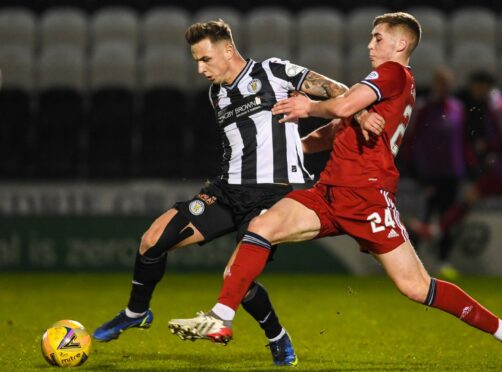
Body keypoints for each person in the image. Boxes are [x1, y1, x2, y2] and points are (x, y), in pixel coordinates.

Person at [167, 13, 502, 368]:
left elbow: (343, 104)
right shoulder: (381, 87)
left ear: (399, 44)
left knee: (416, 288)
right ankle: (221, 319)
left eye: (378, 37)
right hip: (328, 192)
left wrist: (309, 106)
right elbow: (335, 130)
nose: (370, 43)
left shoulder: (394, 74)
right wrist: (290, 148)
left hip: (368, 198)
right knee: (260, 228)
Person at [93, 19, 369, 367]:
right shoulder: (217, 94)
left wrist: (357, 115)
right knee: (151, 240)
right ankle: (136, 312)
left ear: (227, 50)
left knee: (236, 275)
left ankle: (277, 337)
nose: (200, 69)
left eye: (205, 59)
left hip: (277, 195)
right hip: (227, 190)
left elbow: (337, 90)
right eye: (196, 60)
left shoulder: (275, 72)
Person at [412, 71, 502, 276]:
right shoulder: (494, 104)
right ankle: (436, 230)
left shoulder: (498, 105)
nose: (472, 91)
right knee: (471, 195)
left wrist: (487, 146)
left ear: (483, 85)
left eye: (474, 86)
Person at [400, 67, 467, 279]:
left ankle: (443, 262)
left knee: (448, 219)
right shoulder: (424, 109)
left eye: (448, 83)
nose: (445, 87)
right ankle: (411, 265)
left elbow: (463, 141)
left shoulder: (458, 108)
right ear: (435, 84)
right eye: (441, 82)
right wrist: (415, 172)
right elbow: (410, 140)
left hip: (452, 173)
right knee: (423, 217)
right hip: (428, 173)